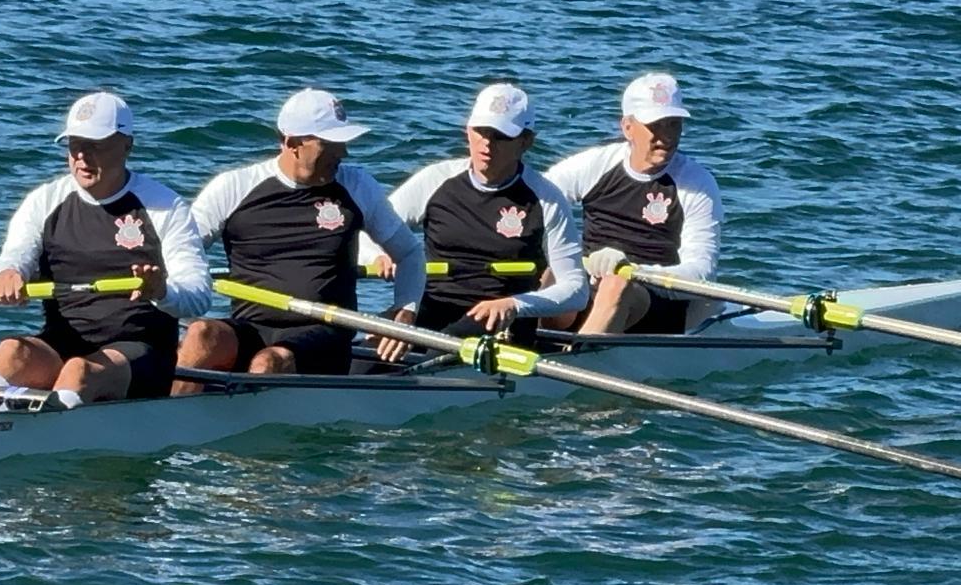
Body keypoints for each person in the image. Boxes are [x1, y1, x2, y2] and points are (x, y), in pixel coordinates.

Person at [0, 91, 211, 412]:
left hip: (141, 352)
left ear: (127, 145)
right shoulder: (45, 200)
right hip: (63, 342)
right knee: (12, 350)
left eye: (94, 145)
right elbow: (14, 256)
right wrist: (7, 274)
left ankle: (42, 427)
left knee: (79, 371)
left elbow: (198, 295)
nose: (81, 157)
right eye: (74, 145)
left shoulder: (165, 207)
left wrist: (161, 291)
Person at [172, 87, 425, 392]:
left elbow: (410, 253)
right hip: (252, 326)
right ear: (292, 143)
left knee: (269, 362)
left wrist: (404, 314)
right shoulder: (233, 188)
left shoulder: (356, 185)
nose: (342, 153)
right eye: (329, 144)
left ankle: (247, 412)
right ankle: (173, 414)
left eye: (343, 142)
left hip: (326, 333)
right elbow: (180, 252)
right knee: (201, 334)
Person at [359, 83, 588, 345]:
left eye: (500, 135)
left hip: (499, 321)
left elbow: (575, 289)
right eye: (480, 131)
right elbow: (366, 231)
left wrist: (516, 304)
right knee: (366, 355)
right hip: (431, 308)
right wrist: (376, 255)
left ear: (526, 141)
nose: (487, 143)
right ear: (467, 131)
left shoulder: (547, 199)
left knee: (437, 351)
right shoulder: (435, 180)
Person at [543, 72, 722, 334]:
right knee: (548, 271)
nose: (666, 136)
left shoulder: (697, 184)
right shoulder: (595, 165)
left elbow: (702, 272)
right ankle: (525, 341)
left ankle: (575, 354)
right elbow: (534, 203)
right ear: (627, 127)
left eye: (673, 124)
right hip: (590, 285)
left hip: (656, 300)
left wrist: (633, 271)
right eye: (656, 125)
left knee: (616, 285)